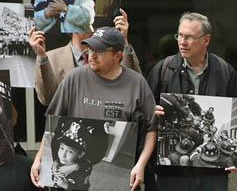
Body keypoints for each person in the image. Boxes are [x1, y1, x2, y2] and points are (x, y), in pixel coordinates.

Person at [29, 27, 157, 191]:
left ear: (118, 55)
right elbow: (53, 122)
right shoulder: (74, 78)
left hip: (101, 165)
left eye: (100, 51)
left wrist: (140, 165)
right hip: (69, 160)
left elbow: (152, 128)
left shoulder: (137, 83)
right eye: (91, 49)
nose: (92, 55)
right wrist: (39, 158)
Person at [146, 12, 237, 191]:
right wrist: (153, 113)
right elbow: (143, 112)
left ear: (206, 40)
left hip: (213, 175)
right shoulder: (163, 69)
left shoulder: (225, 72)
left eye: (189, 37)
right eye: (180, 36)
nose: (182, 42)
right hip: (172, 175)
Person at [30, 8, 141, 106]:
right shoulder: (50, 58)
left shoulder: (110, 54)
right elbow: (46, 99)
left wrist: (124, 41)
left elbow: (135, 88)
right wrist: (41, 56)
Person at [49, 119, 108, 190]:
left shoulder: (83, 172)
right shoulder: (60, 161)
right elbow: (57, 137)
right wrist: (55, 162)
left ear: (80, 154)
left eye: (70, 151)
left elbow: (83, 188)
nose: (63, 155)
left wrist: (67, 185)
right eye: (61, 148)